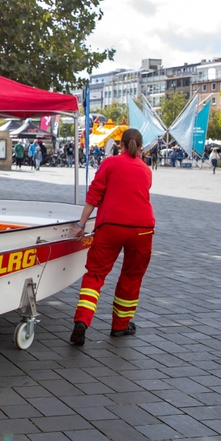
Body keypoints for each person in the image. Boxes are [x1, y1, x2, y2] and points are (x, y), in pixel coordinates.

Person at [70, 128, 154, 346]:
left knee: (95, 274)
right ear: (140, 147)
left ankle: (82, 321)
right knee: (132, 276)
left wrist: (81, 225)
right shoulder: (146, 170)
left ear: (120, 144)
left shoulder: (110, 163)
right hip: (142, 229)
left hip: (111, 226)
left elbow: (94, 196)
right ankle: (120, 325)